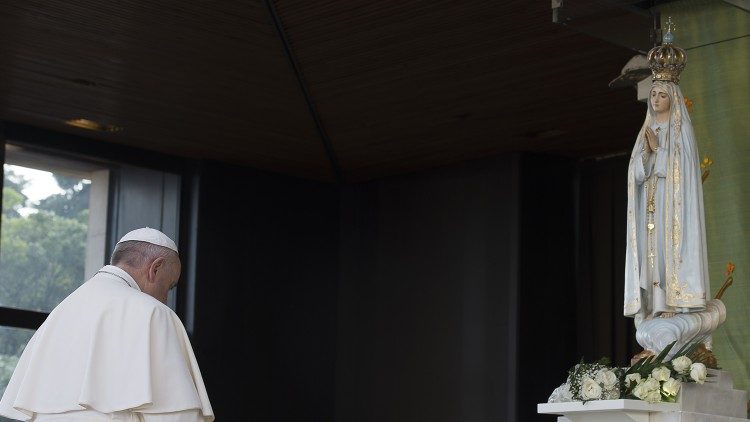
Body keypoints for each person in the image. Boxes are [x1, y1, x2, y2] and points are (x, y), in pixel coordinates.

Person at [0, 228, 214, 421]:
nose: (165, 298)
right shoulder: (154, 313)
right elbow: (176, 416)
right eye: (168, 287)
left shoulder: (61, 312)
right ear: (155, 268)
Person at [623, 25, 710, 329]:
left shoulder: (680, 131)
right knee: (650, 249)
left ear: (673, 97)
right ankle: (654, 304)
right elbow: (634, 172)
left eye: (662, 94)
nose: (657, 99)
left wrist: (658, 151)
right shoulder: (645, 130)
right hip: (649, 202)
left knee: (666, 247)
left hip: (670, 204)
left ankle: (672, 300)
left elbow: (682, 171)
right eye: (654, 94)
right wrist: (646, 155)